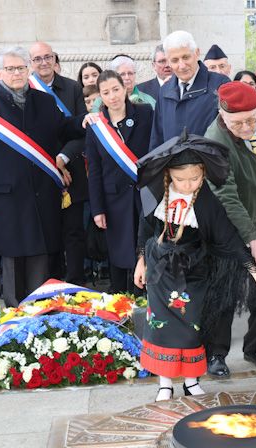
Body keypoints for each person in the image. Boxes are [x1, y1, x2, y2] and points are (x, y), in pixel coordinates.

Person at [133, 133, 256, 401]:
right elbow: (145, 228)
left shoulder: (207, 203)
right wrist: (140, 261)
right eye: (180, 179)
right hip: (160, 274)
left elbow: (229, 239)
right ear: (169, 175)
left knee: (194, 327)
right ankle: (165, 383)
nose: (187, 185)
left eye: (194, 179)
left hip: (194, 274)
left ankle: (191, 380)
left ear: (204, 173)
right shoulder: (158, 194)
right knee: (160, 327)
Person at [0, 47, 87, 306]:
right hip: (7, 199)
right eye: (10, 69)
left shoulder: (43, 100)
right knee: (13, 259)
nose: (17, 73)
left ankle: (45, 313)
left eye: (21, 68)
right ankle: (16, 317)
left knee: (45, 255)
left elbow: (62, 129)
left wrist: (83, 121)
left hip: (43, 194)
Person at [203, 81, 256, 377]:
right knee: (225, 289)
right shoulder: (215, 138)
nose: (247, 126)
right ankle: (216, 352)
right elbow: (226, 194)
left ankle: (255, 347)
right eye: (238, 122)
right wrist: (252, 238)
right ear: (223, 116)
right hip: (229, 222)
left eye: (252, 118)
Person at [85, 70, 152, 292]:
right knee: (120, 255)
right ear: (100, 97)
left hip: (145, 195)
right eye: (106, 92)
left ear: (125, 89)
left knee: (145, 250)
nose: (112, 96)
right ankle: (121, 303)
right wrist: (97, 209)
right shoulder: (96, 126)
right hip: (114, 200)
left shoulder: (145, 114)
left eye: (116, 89)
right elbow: (94, 171)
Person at [29, 41, 89, 287]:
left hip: (71, 168)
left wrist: (62, 159)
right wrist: (51, 163)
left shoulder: (73, 88)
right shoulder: (26, 90)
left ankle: (75, 283)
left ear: (55, 59)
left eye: (48, 57)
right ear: (30, 63)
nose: (44, 62)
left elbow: (81, 129)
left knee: (73, 232)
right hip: (41, 171)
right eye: (38, 58)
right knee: (48, 231)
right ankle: (51, 284)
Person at [150, 31, 230, 149]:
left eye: (186, 57)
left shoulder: (220, 85)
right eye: (175, 60)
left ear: (197, 53)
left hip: (209, 164)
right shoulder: (164, 91)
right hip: (173, 166)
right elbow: (157, 138)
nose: (182, 65)